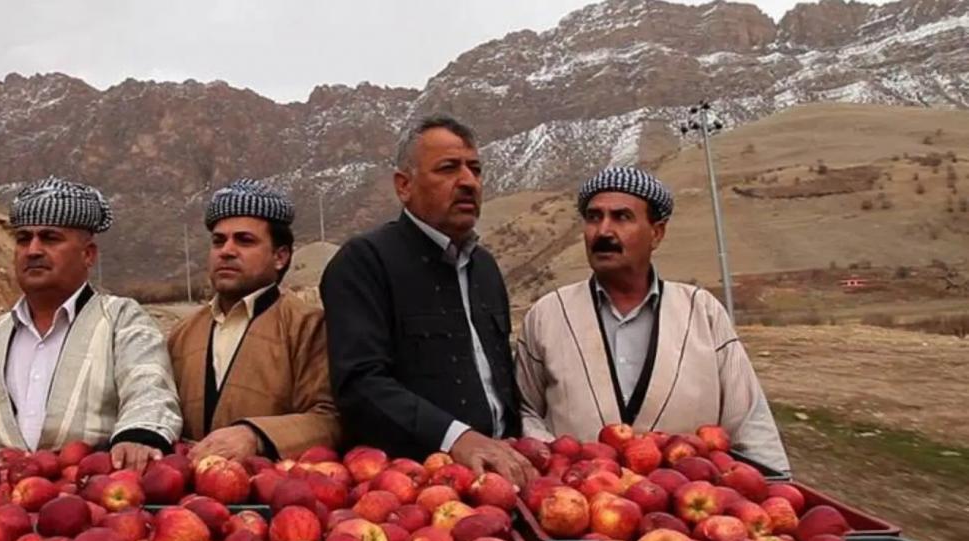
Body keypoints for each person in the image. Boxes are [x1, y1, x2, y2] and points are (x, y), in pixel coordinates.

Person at [516, 167, 790, 471]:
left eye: (622, 217)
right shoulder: (548, 313)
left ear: (657, 233)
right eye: (594, 217)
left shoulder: (702, 311)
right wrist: (557, 462)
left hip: (689, 510)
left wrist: (774, 486)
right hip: (577, 502)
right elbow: (525, 409)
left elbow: (749, 419)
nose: (603, 231)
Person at [321, 115, 537, 486]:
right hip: (412, 491)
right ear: (404, 186)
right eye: (449, 169)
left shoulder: (484, 268)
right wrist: (457, 439)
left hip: (503, 477)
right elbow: (360, 385)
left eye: (475, 169)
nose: (468, 181)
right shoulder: (364, 262)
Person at [0, 177, 182, 471]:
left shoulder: (122, 320)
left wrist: (137, 436)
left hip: (93, 506)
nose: (33, 250)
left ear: (88, 254)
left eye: (50, 238)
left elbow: (150, 390)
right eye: (23, 239)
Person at [168, 179, 340, 462]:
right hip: (190, 498)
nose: (227, 251)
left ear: (280, 257)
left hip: (277, 497)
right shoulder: (183, 333)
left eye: (245, 241)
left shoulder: (309, 326)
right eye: (218, 241)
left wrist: (255, 436)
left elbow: (330, 420)